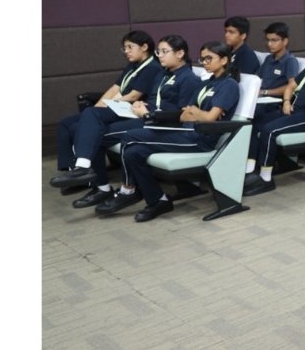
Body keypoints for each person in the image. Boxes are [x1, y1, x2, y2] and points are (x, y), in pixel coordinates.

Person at [95, 41, 243, 222]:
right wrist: (193, 113)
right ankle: (158, 200)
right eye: (202, 58)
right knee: (134, 152)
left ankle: (128, 190)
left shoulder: (229, 85)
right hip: (186, 131)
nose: (204, 62)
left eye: (209, 58)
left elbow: (210, 118)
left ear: (224, 60)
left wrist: (194, 113)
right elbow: (185, 113)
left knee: (130, 136)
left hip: (200, 139)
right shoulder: (208, 83)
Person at [50, 34, 195, 208]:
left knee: (96, 136)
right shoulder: (164, 74)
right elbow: (151, 99)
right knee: (89, 118)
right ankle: (90, 174)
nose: (160, 55)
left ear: (180, 54)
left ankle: (115, 187)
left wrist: (148, 114)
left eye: (164, 51)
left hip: (154, 121)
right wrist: (142, 105)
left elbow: (183, 114)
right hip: (142, 114)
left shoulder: (188, 78)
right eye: (159, 51)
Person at [54, 30, 163, 183]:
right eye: (124, 48)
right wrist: (98, 107)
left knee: (80, 126)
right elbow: (115, 88)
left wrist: (108, 107)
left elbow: (133, 96)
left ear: (144, 47)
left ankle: (83, 170)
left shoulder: (152, 67)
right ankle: (71, 170)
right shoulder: (132, 65)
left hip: (129, 108)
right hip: (118, 105)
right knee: (67, 123)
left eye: (130, 47)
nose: (126, 51)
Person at [243, 38, 305, 196]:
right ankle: (249, 171)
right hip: (294, 110)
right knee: (254, 124)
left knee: (269, 130)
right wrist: (286, 101)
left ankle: (266, 178)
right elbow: (290, 87)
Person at [256, 22, 302, 105]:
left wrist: (265, 92)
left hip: (277, 103)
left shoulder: (290, 61)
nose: (269, 44)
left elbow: (292, 86)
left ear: (285, 41)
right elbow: (257, 78)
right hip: (262, 99)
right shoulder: (268, 58)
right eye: (268, 40)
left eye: (274, 40)